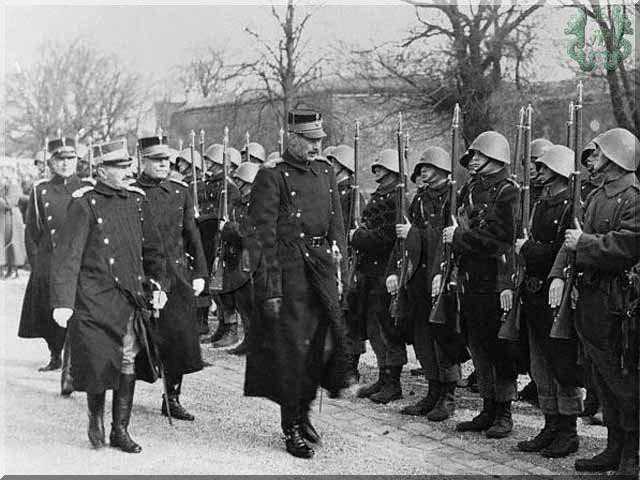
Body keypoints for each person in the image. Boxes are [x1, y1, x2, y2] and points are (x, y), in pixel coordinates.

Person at [49, 138, 168, 453]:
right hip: (93, 297)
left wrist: (158, 285)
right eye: (119, 166)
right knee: (99, 360)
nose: (128, 171)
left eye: (128, 165)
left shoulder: (137, 200)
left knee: (127, 358)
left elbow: (153, 250)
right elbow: (68, 256)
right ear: (101, 170)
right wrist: (63, 302)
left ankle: (120, 430)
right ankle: (96, 419)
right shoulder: (84, 202)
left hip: (129, 295)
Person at [244, 109, 350, 459]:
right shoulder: (272, 176)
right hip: (289, 273)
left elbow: (337, 224)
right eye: (309, 140)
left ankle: (304, 414)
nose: (316, 146)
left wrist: (341, 270)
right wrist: (270, 288)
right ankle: (290, 426)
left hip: (321, 269)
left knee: (319, 348)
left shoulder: (325, 171)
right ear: (291, 138)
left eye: (319, 140)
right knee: (293, 353)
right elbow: (261, 238)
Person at [549, 128, 640, 476]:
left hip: (618, 301)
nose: (593, 158)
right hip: (591, 298)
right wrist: (560, 274)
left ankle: (631, 453)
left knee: (622, 379)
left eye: (599, 152)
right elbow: (572, 240)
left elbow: (628, 245)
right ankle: (613, 447)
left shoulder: (632, 197)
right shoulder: (598, 194)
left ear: (616, 158)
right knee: (601, 377)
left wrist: (584, 243)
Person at [440, 131, 518, 438]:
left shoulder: (509, 192)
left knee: (500, 350)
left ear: (495, 157)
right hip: (470, 280)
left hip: (494, 282)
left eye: (478, 155)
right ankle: (487, 408)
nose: (472, 160)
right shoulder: (470, 189)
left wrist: (461, 237)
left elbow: (501, 240)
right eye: (472, 155)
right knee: (478, 347)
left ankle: (504, 412)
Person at [515, 145, 583, 458]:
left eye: (543, 167)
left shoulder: (572, 205)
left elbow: (562, 250)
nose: (538, 172)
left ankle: (568, 431)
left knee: (560, 363)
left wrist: (527, 249)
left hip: (556, 293)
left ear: (558, 170)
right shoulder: (542, 202)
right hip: (534, 291)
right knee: (539, 364)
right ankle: (550, 424)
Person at [134, 135, 208, 421]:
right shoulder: (131, 193)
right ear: (143, 161)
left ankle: (172, 397)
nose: (163, 164)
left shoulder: (180, 191)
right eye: (156, 160)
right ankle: (122, 397)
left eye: (166, 160)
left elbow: (192, 234)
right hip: (142, 274)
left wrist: (200, 272)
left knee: (178, 338)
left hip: (176, 275)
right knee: (138, 338)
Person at [390, 146, 463, 421]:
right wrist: (395, 271)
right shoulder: (420, 198)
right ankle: (433, 391)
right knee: (423, 337)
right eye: (421, 168)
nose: (423, 172)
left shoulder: (454, 197)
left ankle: (448, 396)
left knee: (443, 336)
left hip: (442, 274)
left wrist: (415, 233)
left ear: (442, 169)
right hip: (419, 276)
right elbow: (404, 241)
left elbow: (450, 237)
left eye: (428, 167)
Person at [18, 136, 89, 382]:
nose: (66, 163)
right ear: (51, 163)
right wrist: (38, 263)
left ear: (77, 160)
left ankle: (74, 358)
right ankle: (55, 353)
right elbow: (32, 231)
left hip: (80, 260)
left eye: (70, 158)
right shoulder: (41, 190)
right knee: (49, 309)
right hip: (50, 260)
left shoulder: (87, 188)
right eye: (60, 159)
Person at [350, 148, 407, 405]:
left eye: (381, 167)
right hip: (369, 271)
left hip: (386, 270)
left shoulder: (397, 198)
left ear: (392, 170)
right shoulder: (379, 195)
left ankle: (393, 382)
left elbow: (387, 237)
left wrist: (358, 236)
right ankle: (384, 377)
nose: (376, 170)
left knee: (388, 328)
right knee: (374, 327)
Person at [326, 144, 366, 380]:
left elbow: (357, 227)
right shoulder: (331, 192)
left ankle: (351, 366)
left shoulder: (353, 194)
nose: (330, 166)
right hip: (330, 257)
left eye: (334, 163)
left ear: (344, 166)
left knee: (350, 314)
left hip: (349, 260)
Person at [218, 161, 261, 355]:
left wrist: (227, 228)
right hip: (237, 259)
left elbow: (247, 232)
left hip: (253, 259)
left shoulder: (258, 204)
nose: (237, 183)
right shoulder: (238, 204)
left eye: (240, 180)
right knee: (242, 302)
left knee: (252, 303)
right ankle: (249, 339)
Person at [1, 167, 27, 278]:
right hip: (4, 217)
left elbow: (9, 203)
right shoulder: (5, 185)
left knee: (14, 243)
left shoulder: (14, 185)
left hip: (12, 217)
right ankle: (8, 269)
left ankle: (13, 270)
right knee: (5, 243)